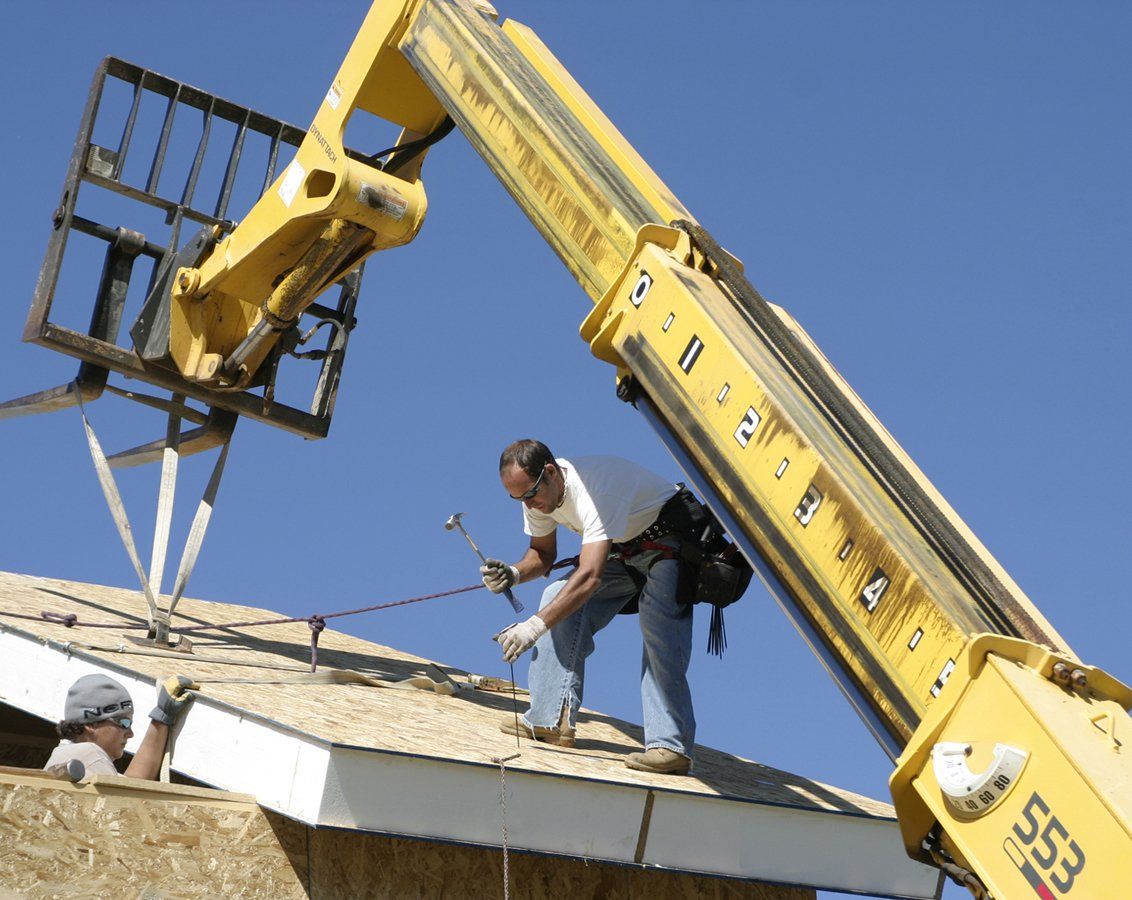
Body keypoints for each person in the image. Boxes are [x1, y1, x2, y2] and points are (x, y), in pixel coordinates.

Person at [484, 438, 697, 776]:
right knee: (555, 594)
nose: (529, 504)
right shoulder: (538, 496)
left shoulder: (595, 491)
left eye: (531, 494)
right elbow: (542, 555)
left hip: (668, 543)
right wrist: (513, 573)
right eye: (519, 498)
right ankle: (550, 721)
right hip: (625, 550)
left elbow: (590, 576)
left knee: (660, 634)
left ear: (551, 473)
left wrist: (533, 627)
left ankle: (669, 747)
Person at [43, 673, 198, 780]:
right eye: (124, 723)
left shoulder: (70, 755)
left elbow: (133, 782)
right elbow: (127, 801)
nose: (130, 733)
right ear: (90, 724)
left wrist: (162, 716)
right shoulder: (89, 753)